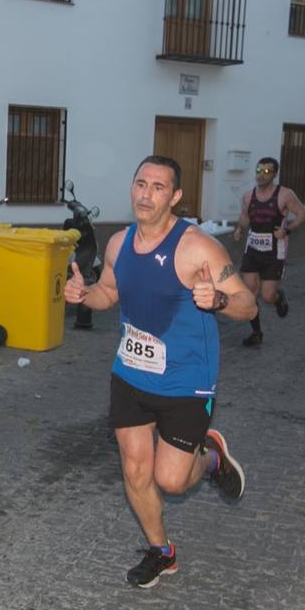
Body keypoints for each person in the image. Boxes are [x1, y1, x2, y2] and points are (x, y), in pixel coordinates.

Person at [64, 156, 257, 588]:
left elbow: (249, 305)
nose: (146, 194)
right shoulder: (118, 244)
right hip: (131, 374)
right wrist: (83, 294)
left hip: (187, 382)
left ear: (175, 197)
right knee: (135, 471)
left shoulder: (197, 248)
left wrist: (219, 302)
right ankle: (162, 552)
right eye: (140, 184)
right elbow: (109, 293)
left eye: (157, 187)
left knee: (170, 480)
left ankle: (210, 459)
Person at [230, 157, 305, 347]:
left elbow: (303, 215)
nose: (261, 175)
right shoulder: (248, 196)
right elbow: (244, 218)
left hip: (274, 251)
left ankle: (278, 297)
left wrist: (287, 230)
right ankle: (256, 333)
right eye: (259, 170)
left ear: (274, 174)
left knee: (267, 296)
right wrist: (239, 229)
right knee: (250, 294)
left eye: (266, 172)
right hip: (253, 248)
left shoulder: (285, 195)